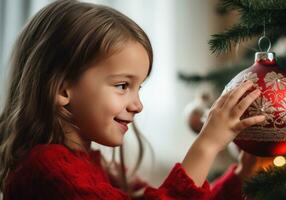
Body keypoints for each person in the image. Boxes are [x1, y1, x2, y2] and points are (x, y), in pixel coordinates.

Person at [0, 0, 266, 199]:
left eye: (139, 88)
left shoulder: (88, 165)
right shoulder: (49, 171)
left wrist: (240, 178)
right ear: (62, 90)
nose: (137, 105)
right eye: (122, 85)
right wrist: (206, 145)